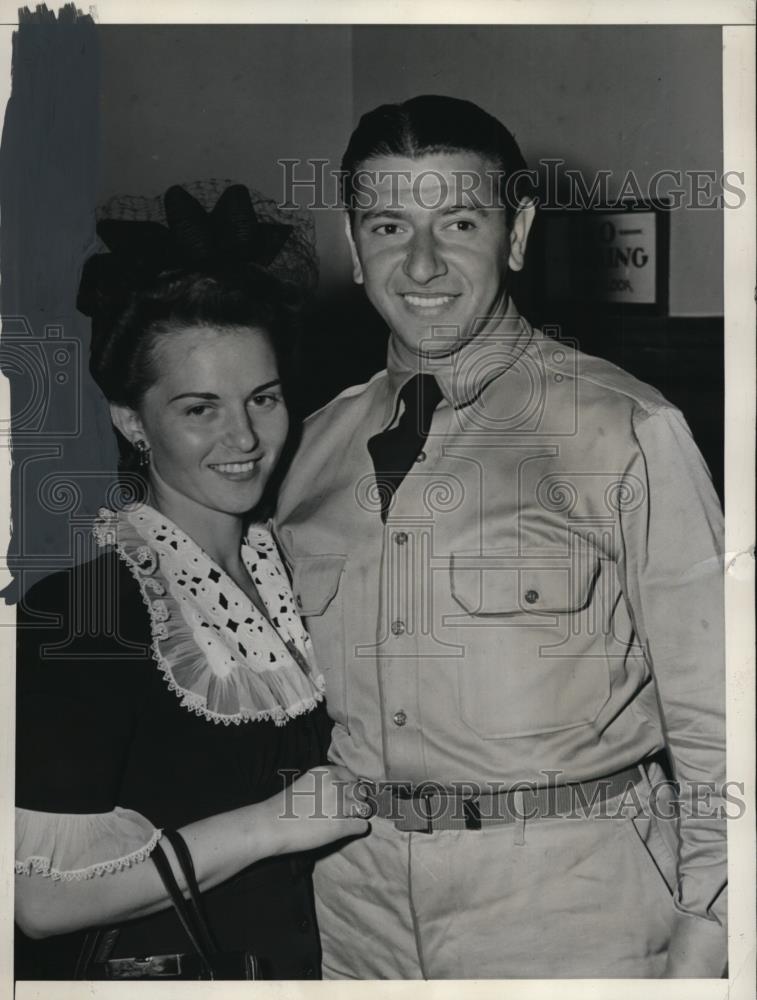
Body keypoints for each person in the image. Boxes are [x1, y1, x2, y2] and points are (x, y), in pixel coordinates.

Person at [275, 95, 727, 979]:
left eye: (460, 221)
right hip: (351, 922)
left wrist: (707, 937)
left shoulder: (627, 427)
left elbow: (723, 718)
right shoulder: (304, 448)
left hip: (570, 915)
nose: (423, 263)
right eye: (389, 224)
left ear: (515, 234)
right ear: (352, 243)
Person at [14, 182, 369, 981]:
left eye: (263, 399)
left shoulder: (308, 568)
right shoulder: (84, 612)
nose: (243, 438)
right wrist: (275, 824)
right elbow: (36, 902)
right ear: (132, 422)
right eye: (199, 409)